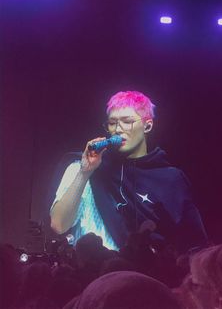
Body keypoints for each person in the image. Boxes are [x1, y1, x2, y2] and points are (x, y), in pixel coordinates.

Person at [50, 90, 208, 254]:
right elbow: (59, 224)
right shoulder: (81, 167)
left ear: (147, 125)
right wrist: (84, 173)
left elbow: (195, 242)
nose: (118, 129)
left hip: (146, 275)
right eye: (112, 123)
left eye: (127, 121)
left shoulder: (171, 178)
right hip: (93, 275)